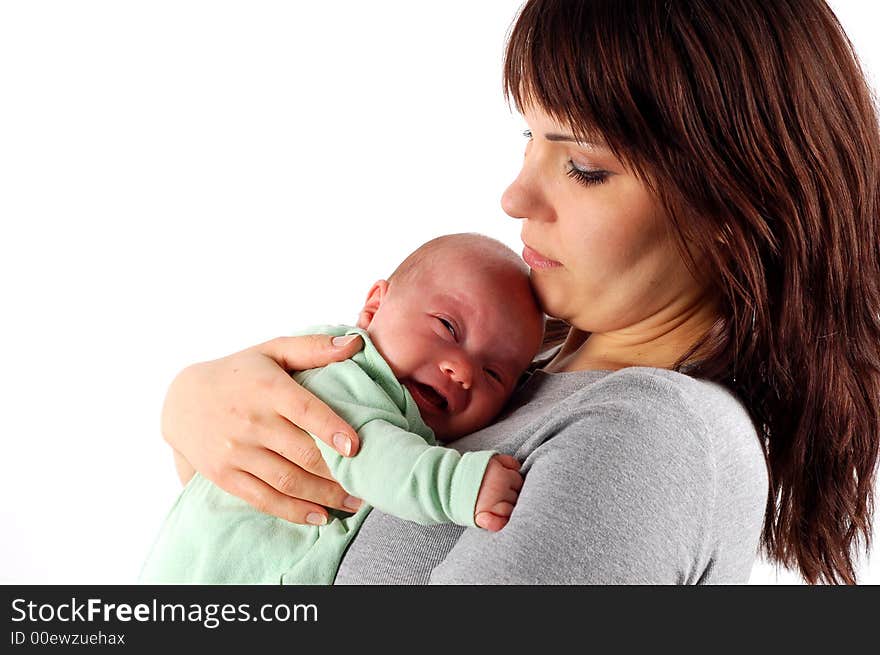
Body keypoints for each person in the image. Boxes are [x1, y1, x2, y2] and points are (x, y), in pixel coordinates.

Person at [159, 0, 880, 584]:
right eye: (528, 140)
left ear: (733, 209)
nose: (513, 196)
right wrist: (196, 415)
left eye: (585, 167)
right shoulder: (520, 383)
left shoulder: (643, 438)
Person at [140, 233, 545, 583]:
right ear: (374, 306)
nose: (461, 371)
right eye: (447, 326)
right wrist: (459, 484)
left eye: (493, 374)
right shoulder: (344, 377)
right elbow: (371, 455)